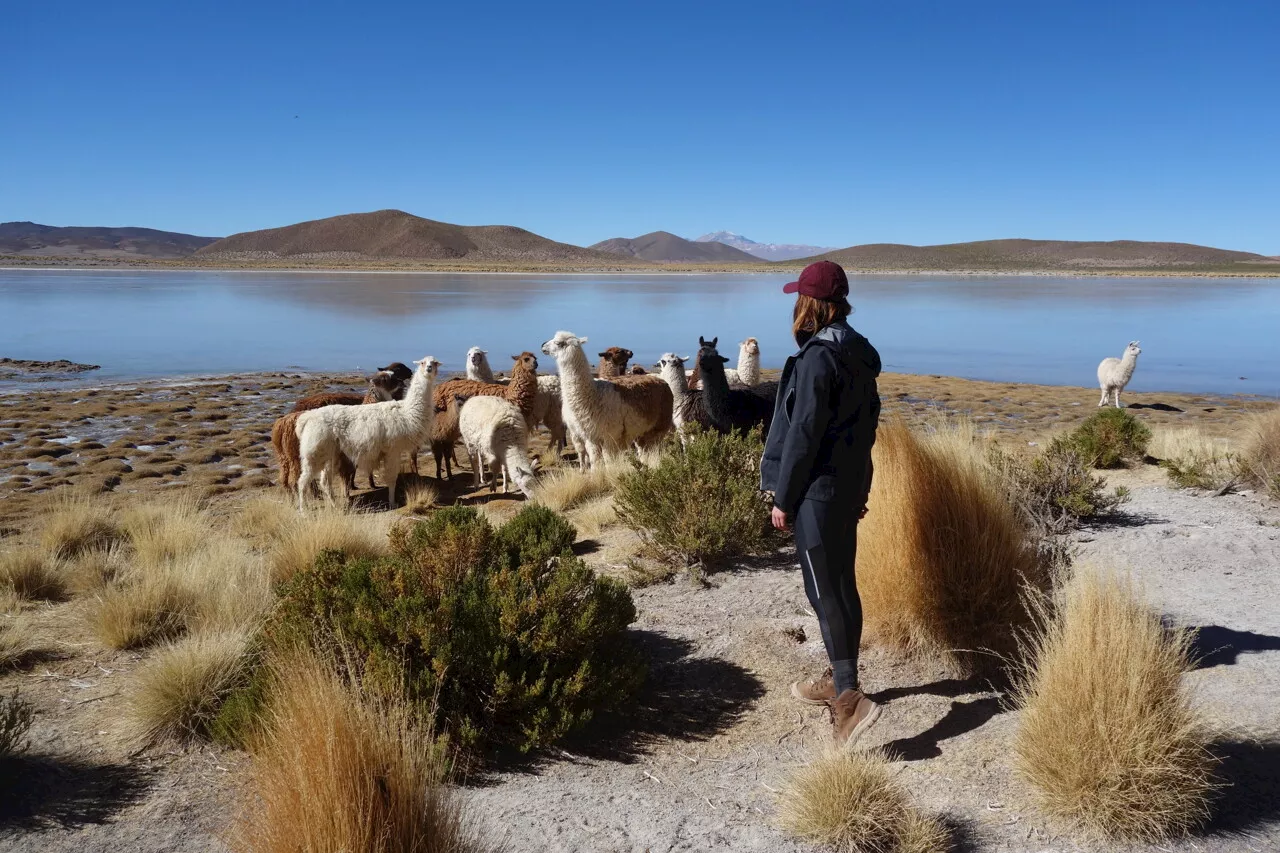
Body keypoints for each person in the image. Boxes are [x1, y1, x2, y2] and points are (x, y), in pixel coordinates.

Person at [759, 260, 883, 750]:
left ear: (810, 304)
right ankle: (840, 678)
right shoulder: (859, 352)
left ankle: (850, 700)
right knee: (841, 585)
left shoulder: (816, 358)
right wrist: (862, 487)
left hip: (816, 491)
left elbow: (804, 433)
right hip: (847, 485)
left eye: (798, 299)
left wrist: (784, 497)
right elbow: (866, 428)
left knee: (822, 590)